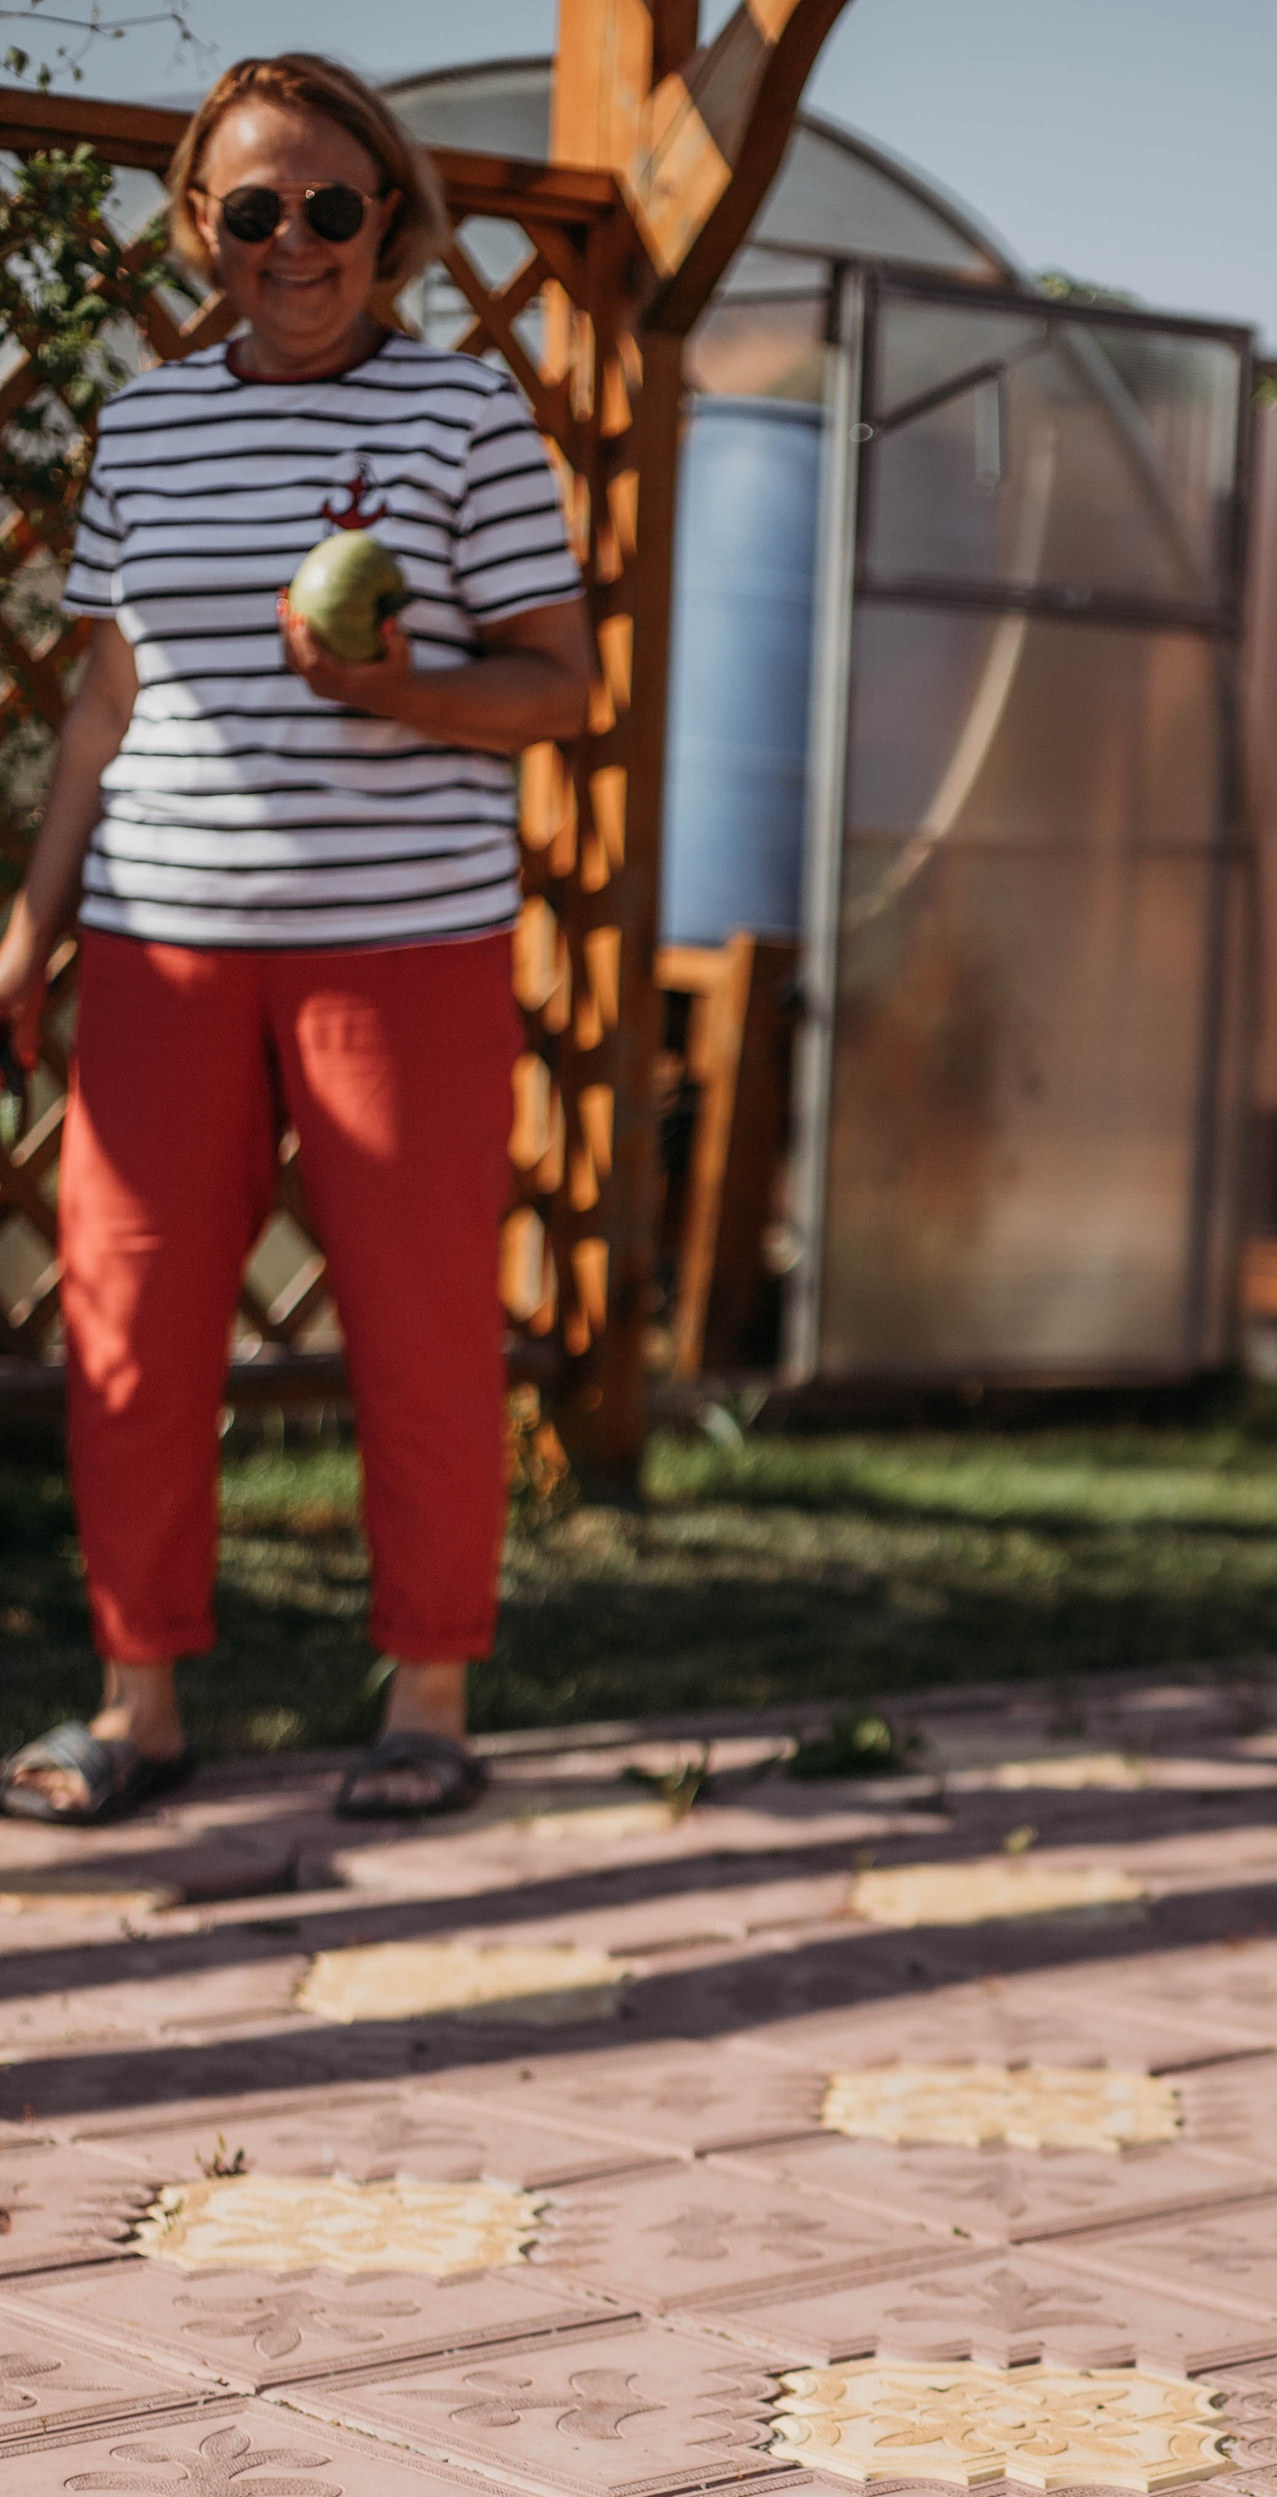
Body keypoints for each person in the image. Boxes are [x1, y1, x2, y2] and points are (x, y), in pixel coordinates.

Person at [0, 51, 591, 1828]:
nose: (294, 239)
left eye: (331, 205)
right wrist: (30, 924)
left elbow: (558, 687)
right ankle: (138, 1703)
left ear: (390, 220)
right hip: (161, 947)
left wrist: (399, 689)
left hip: (399, 949)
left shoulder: (463, 414)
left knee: (418, 1331)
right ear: (199, 227)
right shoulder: (151, 422)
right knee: (129, 1324)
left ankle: (427, 1701)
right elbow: (107, 698)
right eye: (253, 209)